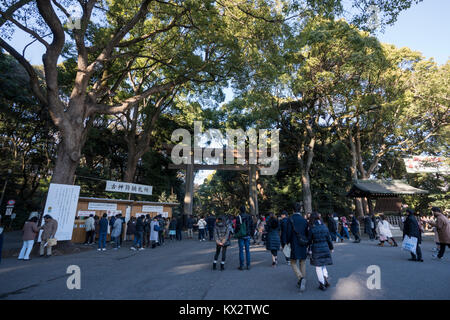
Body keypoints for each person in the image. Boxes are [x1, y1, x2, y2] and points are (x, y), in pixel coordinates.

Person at [286, 202, 309, 291]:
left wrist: (287, 242)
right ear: (300, 210)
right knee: (302, 262)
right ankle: (303, 279)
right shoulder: (304, 220)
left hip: (294, 243)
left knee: (293, 262)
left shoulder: (290, 219)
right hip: (303, 243)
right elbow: (307, 232)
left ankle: (300, 278)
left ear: (293, 210)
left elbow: (288, 233)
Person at [308, 212, 334, 291]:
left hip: (316, 248)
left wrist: (308, 249)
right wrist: (331, 247)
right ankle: (326, 278)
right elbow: (328, 239)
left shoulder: (312, 228)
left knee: (318, 267)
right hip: (325, 247)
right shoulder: (324, 226)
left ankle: (322, 283)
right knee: (323, 265)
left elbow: (309, 240)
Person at [235, 206, 253, 270]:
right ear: (245, 210)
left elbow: (236, 227)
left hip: (241, 235)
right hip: (247, 235)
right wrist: (251, 234)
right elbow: (251, 225)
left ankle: (242, 265)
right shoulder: (249, 216)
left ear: (240, 210)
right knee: (247, 250)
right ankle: (248, 265)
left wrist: (236, 233)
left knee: (241, 251)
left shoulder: (238, 217)